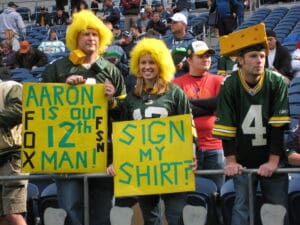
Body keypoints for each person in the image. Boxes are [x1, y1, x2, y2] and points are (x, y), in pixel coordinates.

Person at [41, 9, 126, 225]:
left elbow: (125, 113)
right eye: (85, 34)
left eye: (95, 34)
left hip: (103, 152)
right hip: (67, 151)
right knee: (71, 210)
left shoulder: (112, 71)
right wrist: (63, 90)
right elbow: (42, 109)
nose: (91, 38)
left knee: (103, 211)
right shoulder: (57, 69)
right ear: (74, 37)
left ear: (102, 38)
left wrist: (112, 100)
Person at [105, 37, 196, 225]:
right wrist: (117, 161)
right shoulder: (132, 97)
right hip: (144, 168)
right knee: (151, 219)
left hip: (172, 164)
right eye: (143, 62)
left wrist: (192, 154)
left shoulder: (175, 93)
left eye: (152, 62)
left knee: (176, 217)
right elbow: (123, 134)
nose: (147, 67)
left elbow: (188, 126)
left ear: (161, 64)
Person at [212, 23, 290, 225]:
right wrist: (230, 161)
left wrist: (273, 161)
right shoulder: (229, 84)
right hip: (243, 157)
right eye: (253, 56)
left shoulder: (276, 82)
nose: (259, 61)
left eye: (262, 56)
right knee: (242, 207)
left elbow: (278, 125)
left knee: (276, 208)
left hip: (272, 154)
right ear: (240, 60)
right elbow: (226, 127)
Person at [172, 40, 225, 191]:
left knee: (217, 194)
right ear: (189, 60)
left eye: (208, 55)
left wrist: (191, 104)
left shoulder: (218, 80)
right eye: (201, 56)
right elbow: (180, 111)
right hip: (187, 148)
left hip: (215, 146)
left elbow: (221, 105)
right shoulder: (177, 84)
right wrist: (210, 108)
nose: (206, 59)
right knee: (191, 197)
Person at [0, 79, 28, 225]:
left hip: (13, 155)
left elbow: (20, 109)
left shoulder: (10, 87)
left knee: (13, 212)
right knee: (3, 216)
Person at [163, 13, 196, 77]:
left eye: (175, 22)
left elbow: (197, 64)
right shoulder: (165, 41)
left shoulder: (193, 43)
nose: (172, 25)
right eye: (171, 23)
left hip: (184, 80)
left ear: (184, 24)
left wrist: (183, 65)